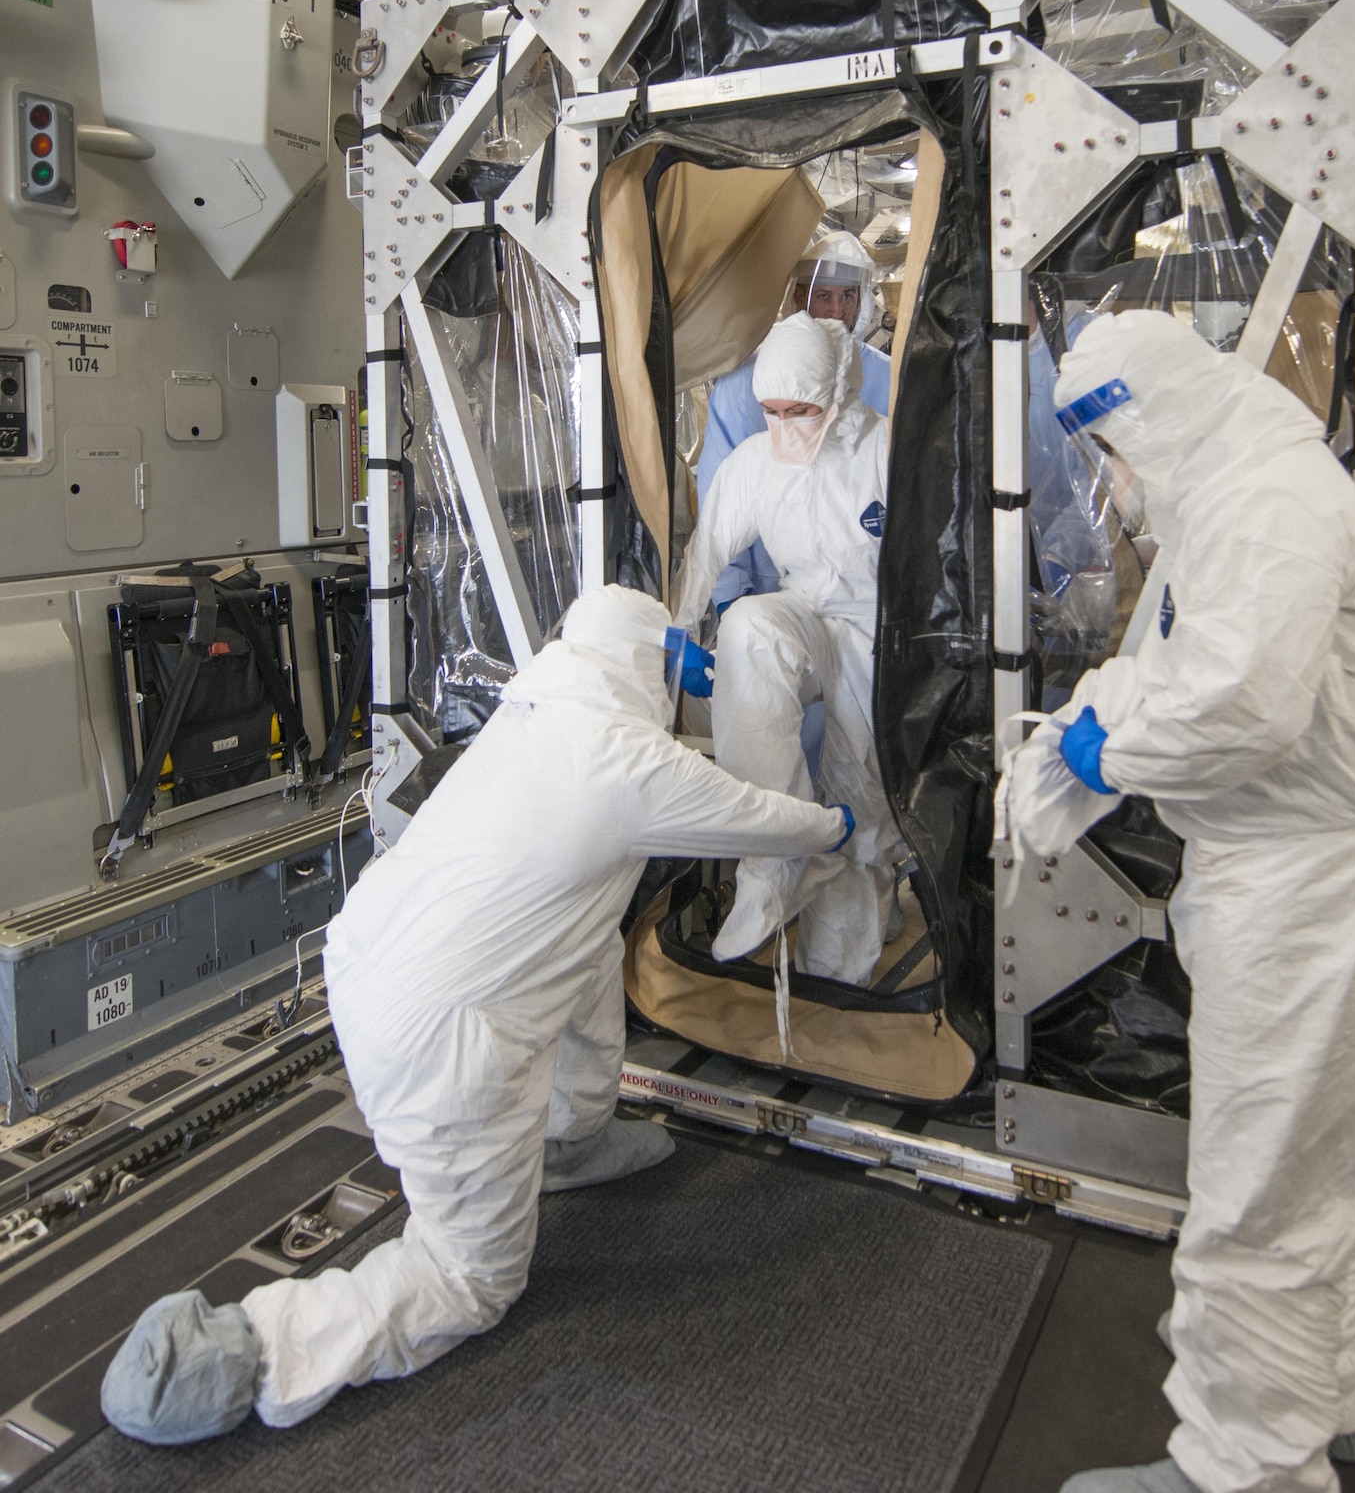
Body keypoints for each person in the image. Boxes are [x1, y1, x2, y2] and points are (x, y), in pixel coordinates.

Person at [100, 586, 853, 1445]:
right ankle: (234, 1357)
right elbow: (757, 817)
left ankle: (572, 1135)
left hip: (374, 965)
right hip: (447, 1037)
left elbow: (657, 778)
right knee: (469, 1280)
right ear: (657, 663)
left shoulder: (535, 716)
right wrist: (834, 825)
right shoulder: (627, 764)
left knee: (584, 940)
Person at [998, 311, 1355, 1493]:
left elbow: (1241, 701)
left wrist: (1106, 747)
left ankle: (1241, 1468)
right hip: (1317, 870)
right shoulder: (1239, 484)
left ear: (1155, 416)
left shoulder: (1261, 503)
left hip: (1307, 890)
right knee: (1315, 1166)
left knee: (1257, 1188)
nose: (1115, 482)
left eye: (1113, 450)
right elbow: (1193, 656)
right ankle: (1320, 1395)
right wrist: (1113, 712)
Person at [677, 309, 903, 987]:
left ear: (836, 394)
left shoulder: (887, 452)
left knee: (856, 789)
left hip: (878, 631)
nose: (785, 427)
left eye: (799, 410)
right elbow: (708, 547)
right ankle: (774, 858)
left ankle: (834, 979)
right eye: (771, 411)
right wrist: (678, 630)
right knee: (749, 629)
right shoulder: (755, 465)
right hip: (807, 615)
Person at [697, 230, 890, 611]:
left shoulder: (888, 378)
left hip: (866, 599)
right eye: (823, 295)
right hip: (770, 594)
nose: (836, 311)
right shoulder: (748, 382)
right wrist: (732, 599)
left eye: (847, 296)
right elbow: (719, 501)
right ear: (800, 297)